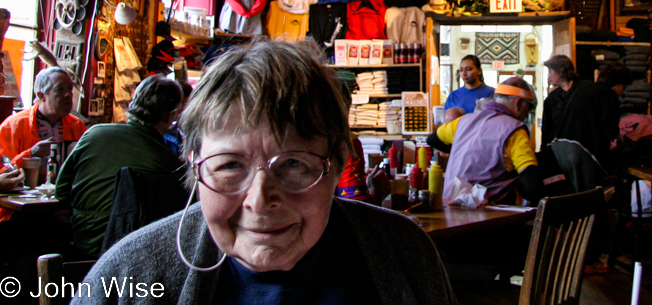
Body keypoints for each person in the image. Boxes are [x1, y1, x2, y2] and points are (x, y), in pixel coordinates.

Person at [81, 40, 455, 304]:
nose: (260, 201)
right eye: (229, 165)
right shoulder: (129, 275)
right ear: (193, 164)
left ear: (339, 160)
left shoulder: (403, 253)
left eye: (294, 164)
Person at [55, 75, 185, 258]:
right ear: (170, 115)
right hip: (130, 253)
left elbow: (61, 192)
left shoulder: (93, 133)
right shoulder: (170, 163)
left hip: (81, 244)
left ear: (134, 101)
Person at [427, 77, 546, 205]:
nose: (526, 114)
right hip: (488, 216)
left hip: (449, 211)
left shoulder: (464, 121)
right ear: (518, 103)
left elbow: (433, 139)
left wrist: (460, 149)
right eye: (527, 108)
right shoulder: (514, 130)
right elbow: (533, 188)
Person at [0, 67, 85, 223]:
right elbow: (3, 174)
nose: (68, 95)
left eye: (70, 89)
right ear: (41, 95)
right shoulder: (13, 126)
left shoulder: (77, 126)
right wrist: (30, 154)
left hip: (64, 207)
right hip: (20, 212)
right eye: (59, 89)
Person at [542, 55, 619, 169]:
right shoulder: (552, 99)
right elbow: (547, 129)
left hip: (587, 152)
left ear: (561, 71)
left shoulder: (587, 92)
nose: (549, 76)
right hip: (561, 156)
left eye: (550, 71)